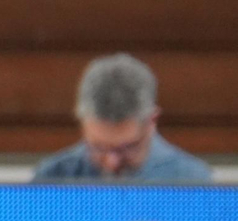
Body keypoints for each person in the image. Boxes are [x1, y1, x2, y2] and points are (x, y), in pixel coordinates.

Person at [34, 53, 212, 182]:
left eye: (127, 148)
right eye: (98, 147)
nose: (112, 162)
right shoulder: (52, 178)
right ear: (82, 123)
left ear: (152, 121)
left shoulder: (191, 182)